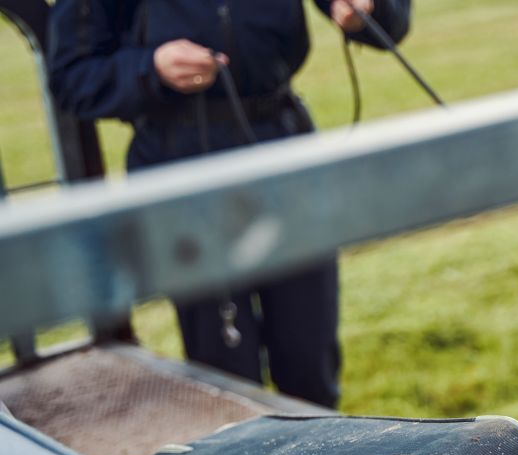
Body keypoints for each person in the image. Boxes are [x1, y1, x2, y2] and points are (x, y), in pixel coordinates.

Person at [48, 0, 411, 408]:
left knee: (310, 356)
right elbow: (72, 77)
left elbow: (390, 20)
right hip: (179, 170)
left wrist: (369, 9)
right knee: (226, 377)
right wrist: (150, 68)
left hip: (284, 150)